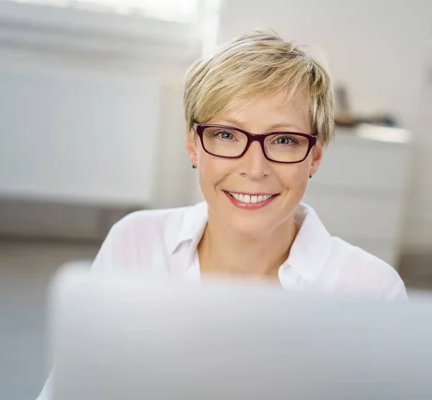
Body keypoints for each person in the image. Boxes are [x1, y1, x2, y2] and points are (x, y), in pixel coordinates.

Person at [36, 29, 406, 399]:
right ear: (193, 146)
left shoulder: (371, 290)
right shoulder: (135, 242)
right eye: (227, 135)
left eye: (283, 140)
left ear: (315, 156)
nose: (255, 167)